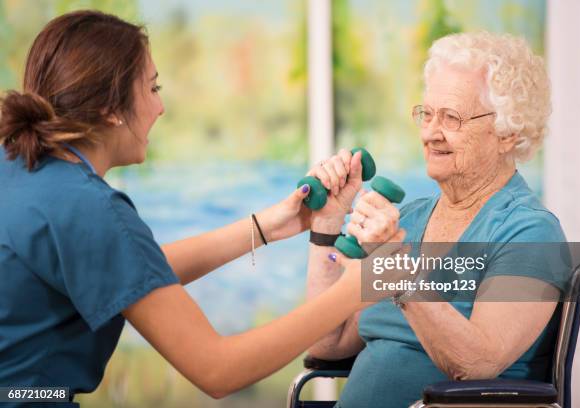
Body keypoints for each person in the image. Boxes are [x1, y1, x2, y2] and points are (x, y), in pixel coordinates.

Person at [0, 10, 399, 406]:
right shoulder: (87, 208)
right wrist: (360, 287)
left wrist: (266, 227)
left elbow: (128, 271)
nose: (160, 108)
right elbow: (218, 370)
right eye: (153, 89)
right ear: (110, 109)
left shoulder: (19, 168)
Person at [306, 31, 567, 407]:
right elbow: (328, 342)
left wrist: (395, 266)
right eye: (426, 114)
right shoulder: (408, 219)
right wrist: (327, 223)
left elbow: (476, 365)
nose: (430, 133)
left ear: (508, 133)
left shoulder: (531, 233)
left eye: (451, 118)